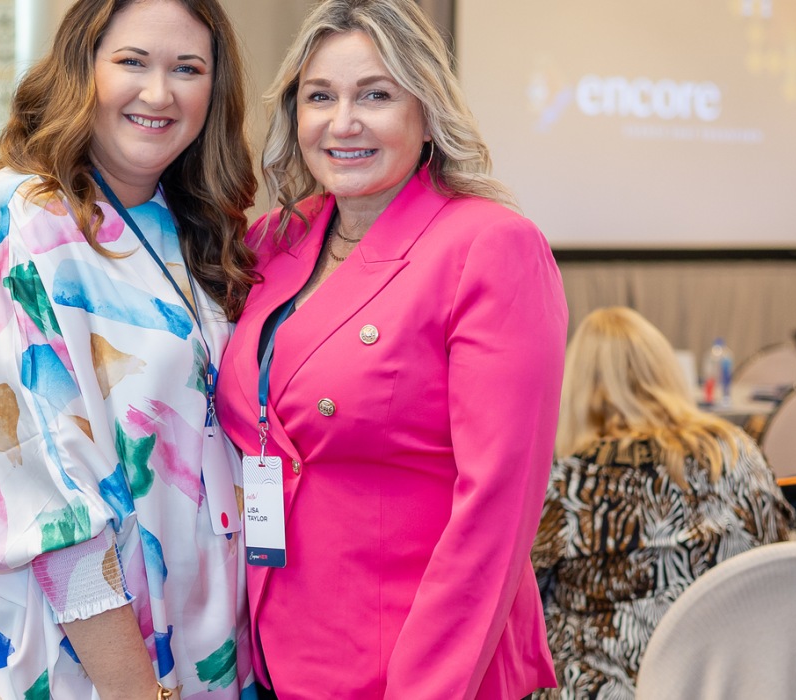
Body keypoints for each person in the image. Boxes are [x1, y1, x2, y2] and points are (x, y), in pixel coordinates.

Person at [0, 1, 258, 698]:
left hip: (197, 646)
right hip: (76, 660)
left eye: (187, 69)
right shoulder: (18, 216)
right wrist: (135, 690)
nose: (159, 92)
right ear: (83, 67)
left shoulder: (184, 225)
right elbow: (47, 506)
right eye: (132, 62)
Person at [211, 1, 568, 696]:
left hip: (420, 666)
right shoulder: (275, 242)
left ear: (426, 111)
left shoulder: (490, 246)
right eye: (321, 97)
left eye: (375, 95)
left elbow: (496, 507)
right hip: (283, 654)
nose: (343, 122)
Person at [532, 307, 795, 699]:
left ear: (576, 384)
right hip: (727, 676)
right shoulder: (737, 452)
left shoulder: (568, 480)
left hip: (602, 686)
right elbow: (777, 551)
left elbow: (523, 596)